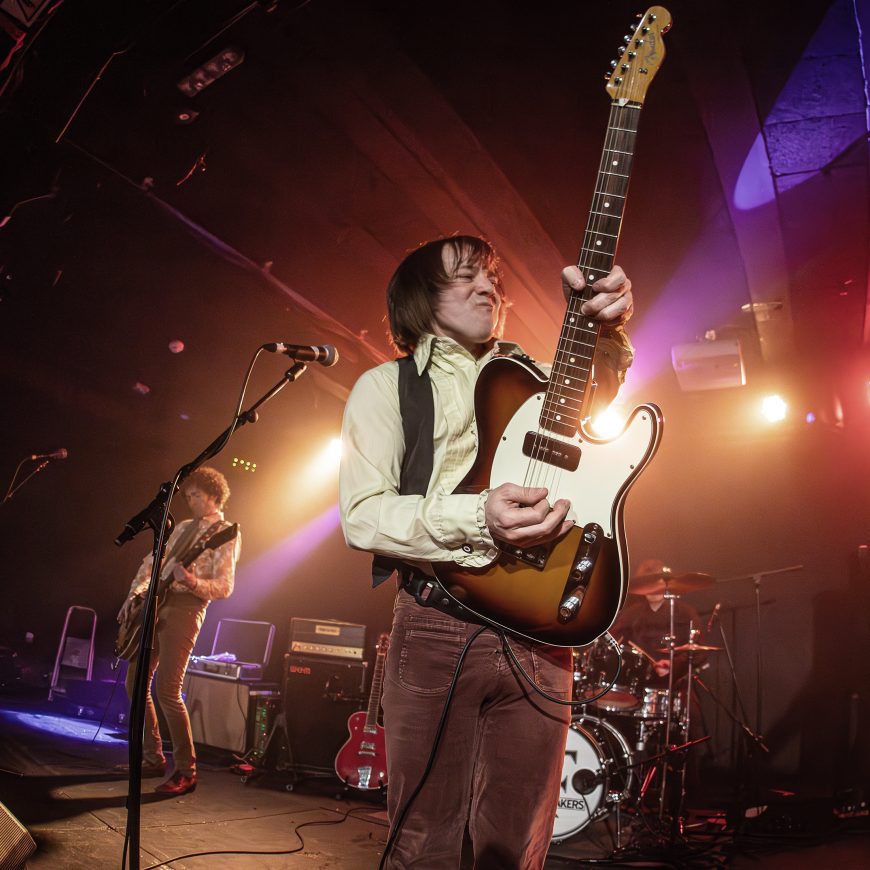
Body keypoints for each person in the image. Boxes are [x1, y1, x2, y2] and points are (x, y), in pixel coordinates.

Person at [339, 235, 634, 868]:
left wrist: (605, 329)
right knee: (424, 842)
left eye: (492, 280)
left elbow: (594, 400)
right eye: (464, 278)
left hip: (541, 632)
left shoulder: (532, 376)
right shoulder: (387, 387)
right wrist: (479, 515)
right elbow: (362, 517)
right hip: (437, 623)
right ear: (421, 297)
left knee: (515, 846)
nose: (487, 289)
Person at [117, 466, 241, 795]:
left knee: (168, 690)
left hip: (187, 609)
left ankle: (187, 770)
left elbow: (225, 586)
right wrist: (134, 594)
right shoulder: (183, 527)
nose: (191, 501)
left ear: (214, 496)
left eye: (196, 495)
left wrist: (192, 581)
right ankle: (151, 757)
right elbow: (152, 563)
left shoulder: (226, 532)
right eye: (188, 496)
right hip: (156, 604)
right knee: (134, 682)